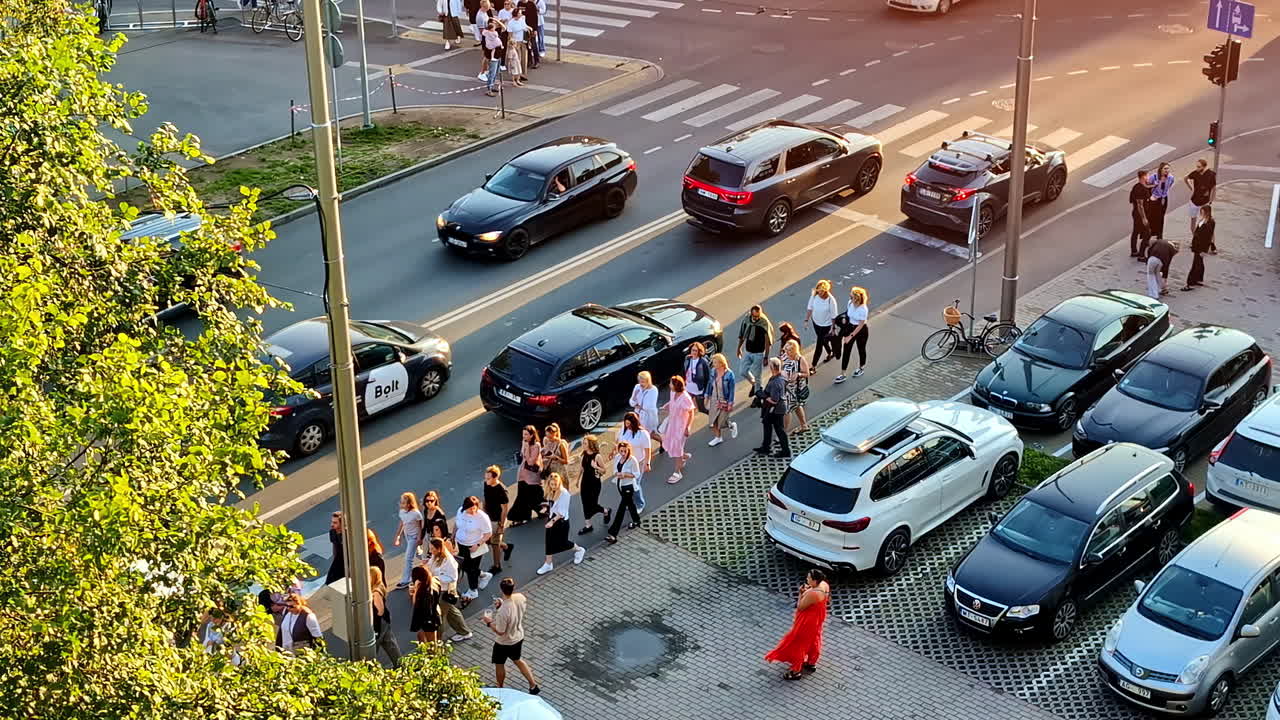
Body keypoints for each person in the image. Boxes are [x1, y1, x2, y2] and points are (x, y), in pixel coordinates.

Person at [764, 569, 830, 681]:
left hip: (807, 621)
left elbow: (801, 606)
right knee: (814, 639)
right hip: (818, 618)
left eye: (809, 578)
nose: (807, 579)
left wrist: (801, 593)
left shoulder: (813, 594)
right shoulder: (824, 585)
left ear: (814, 580)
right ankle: (811, 663)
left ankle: (795, 671)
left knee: (799, 644)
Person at [482, 578, 540, 694]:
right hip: (518, 636)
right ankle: (533, 685)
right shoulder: (520, 597)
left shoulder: (503, 611)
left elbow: (500, 631)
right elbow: (514, 610)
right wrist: (501, 604)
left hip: (504, 642)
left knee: (499, 664)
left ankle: (500, 687)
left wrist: (488, 622)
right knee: (518, 660)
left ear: (501, 589)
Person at [536, 473, 586, 574]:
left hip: (561, 522)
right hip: (552, 518)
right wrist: (546, 507)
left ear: (559, 483)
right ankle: (548, 563)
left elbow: (562, 513)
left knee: (562, 543)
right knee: (549, 542)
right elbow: (552, 504)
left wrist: (551, 522)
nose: (553, 486)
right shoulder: (550, 491)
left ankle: (579, 550)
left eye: (555, 484)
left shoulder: (564, 494)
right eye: (551, 484)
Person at [426, 537, 473, 640]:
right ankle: (464, 632)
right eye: (430, 548)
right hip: (438, 590)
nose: (430, 551)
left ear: (439, 549)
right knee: (451, 612)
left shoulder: (448, 561)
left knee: (439, 616)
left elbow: (452, 578)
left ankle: (437, 640)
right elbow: (430, 565)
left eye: (433, 549)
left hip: (444, 591)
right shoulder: (435, 556)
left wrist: (436, 578)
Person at [454, 496, 493, 600]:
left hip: (474, 546)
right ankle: (484, 575)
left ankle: (473, 590)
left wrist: (477, 545)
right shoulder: (460, 511)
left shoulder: (482, 517)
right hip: (461, 544)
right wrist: (452, 537)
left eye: (474, 508)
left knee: (471, 569)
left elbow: (488, 533)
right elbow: (456, 524)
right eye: (470, 508)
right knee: (465, 566)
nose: (472, 510)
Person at [661, 375, 696, 484]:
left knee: (676, 448)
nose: (669, 385)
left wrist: (688, 427)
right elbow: (672, 401)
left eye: (671, 383)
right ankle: (683, 456)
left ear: (676, 385)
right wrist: (667, 405)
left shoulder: (685, 398)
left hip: (681, 426)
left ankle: (677, 472)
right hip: (673, 424)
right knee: (673, 444)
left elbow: (691, 412)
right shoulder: (673, 393)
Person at [606, 441, 642, 543]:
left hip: (628, 486)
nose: (623, 453)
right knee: (630, 503)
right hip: (620, 485)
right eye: (621, 451)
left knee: (621, 509)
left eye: (625, 451)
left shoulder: (632, 460)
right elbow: (614, 470)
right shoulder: (617, 457)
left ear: (628, 450)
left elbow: (636, 474)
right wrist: (618, 474)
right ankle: (636, 520)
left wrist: (625, 474)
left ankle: (613, 534)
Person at [754, 357, 790, 459]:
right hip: (778, 407)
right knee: (767, 425)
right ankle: (766, 447)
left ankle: (785, 451)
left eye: (770, 365)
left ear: (772, 367)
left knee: (779, 430)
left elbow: (774, 400)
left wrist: (762, 395)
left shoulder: (775, 382)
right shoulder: (781, 375)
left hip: (775, 409)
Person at [737, 304, 774, 402]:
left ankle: (758, 396)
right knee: (743, 371)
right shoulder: (747, 320)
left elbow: (768, 341)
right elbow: (742, 334)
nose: (756, 318)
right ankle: (754, 384)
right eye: (754, 316)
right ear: (751, 314)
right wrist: (739, 348)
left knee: (758, 375)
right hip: (748, 350)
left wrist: (766, 356)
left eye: (757, 316)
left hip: (758, 352)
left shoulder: (764, 323)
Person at [482, 466, 516, 573]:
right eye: (486, 478)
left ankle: (497, 566)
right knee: (489, 541)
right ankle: (506, 547)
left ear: (495, 477)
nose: (486, 480)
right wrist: (483, 513)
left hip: (497, 519)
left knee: (495, 544)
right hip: (488, 517)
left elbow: (504, 509)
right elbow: (485, 499)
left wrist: (501, 525)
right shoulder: (486, 484)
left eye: (488, 478)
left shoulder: (501, 490)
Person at [617, 411, 652, 513]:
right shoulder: (624, 430)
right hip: (625, 462)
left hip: (638, 462)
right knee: (625, 484)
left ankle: (640, 504)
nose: (627, 426)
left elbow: (647, 450)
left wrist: (647, 463)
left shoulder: (643, 434)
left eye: (629, 423)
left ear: (634, 422)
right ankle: (629, 501)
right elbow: (619, 443)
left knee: (634, 484)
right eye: (625, 423)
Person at [834, 286, 870, 384]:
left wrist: (850, 336)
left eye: (852, 297)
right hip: (850, 327)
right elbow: (848, 313)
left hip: (861, 330)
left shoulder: (863, 309)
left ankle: (861, 367)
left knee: (861, 349)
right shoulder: (850, 303)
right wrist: (845, 319)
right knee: (846, 350)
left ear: (857, 299)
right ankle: (843, 373)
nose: (850, 299)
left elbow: (861, 324)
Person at [509, 425, 543, 525]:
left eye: (526, 434)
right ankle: (522, 517)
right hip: (523, 474)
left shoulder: (536, 445)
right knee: (522, 496)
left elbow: (531, 462)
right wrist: (523, 448)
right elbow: (522, 455)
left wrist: (527, 448)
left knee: (534, 496)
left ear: (532, 435)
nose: (524, 436)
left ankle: (542, 510)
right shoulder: (524, 442)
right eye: (523, 434)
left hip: (532, 476)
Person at [370, 566, 402, 667]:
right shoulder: (380, 585)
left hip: (379, 623)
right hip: (384, 620)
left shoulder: (375, 592)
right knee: (390, 644)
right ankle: (400, 665)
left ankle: (370, 669)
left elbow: (379, 611)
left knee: (372, 647)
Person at [578, 435, 610, 534]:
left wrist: (596, 466)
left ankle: (605, 511)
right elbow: (581, 469)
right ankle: (588, 525)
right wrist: (577, 480)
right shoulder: (583, 455)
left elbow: (604, 470)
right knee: (585, 503)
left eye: (585, 443)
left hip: (594, 484)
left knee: (592, 504)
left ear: (590, 445)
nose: (583, 445)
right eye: (583, 443)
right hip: (585, 483)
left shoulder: (597, 456)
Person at [804, 280, 839, 369]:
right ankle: (830, 352)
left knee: (819, 343)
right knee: (823, 340)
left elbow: (833, 316)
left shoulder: (831, 300)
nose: (819, 293)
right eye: (818, 291)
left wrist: (833, 327)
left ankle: (813, 366)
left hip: (826, 325)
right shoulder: (814, 296)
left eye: (821, 291)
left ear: (826, 291)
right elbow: (810, 308)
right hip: (816, 323)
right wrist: (806, 320)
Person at [393, 491, 424, 589]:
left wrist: (419, 538)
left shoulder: (416, 513)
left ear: (409, 503)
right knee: (418, 554)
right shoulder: (402, 512)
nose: (401, 504)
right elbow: (402, 523)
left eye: (403, 502)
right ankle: (430, 560)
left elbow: (420, 527)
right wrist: (398, 535)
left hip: (414, 537)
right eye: (401, 502)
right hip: (407, 536)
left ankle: (406, 580)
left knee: (408, 558)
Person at [1185, 158, 1217, 249]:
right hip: (1194, 201)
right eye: (1197, 166)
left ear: (1204, 166)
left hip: (1205, 202)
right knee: (1193, 221)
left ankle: (1212, 244)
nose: (1197, 168)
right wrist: (1191, 188)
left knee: (1208, 222)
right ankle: (1196, 239)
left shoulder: (1211, 175)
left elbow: (1213, 188)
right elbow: (1185, 178)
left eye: (1199, 167)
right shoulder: (1195, 173)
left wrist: (1211, 200)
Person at [706, 353, 737, 447]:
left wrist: (730, 403)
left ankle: (731, 425)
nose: (713, 364)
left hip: (725, 399)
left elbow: (732, 390)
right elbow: (709, 384)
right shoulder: (713, 371)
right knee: (713, 420)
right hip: (715, 397)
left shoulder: (729, 374)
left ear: (721, 363)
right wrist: (707, 396)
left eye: (715, 362)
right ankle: (718, 437)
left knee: (722, 422)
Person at [780, 339, 810, 433]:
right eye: (785, 350)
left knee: (787, 410)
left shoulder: (800, 359)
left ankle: (783, 432)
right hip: (786, 387)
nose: (786, 352)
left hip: (795, 389)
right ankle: (804, 425)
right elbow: (782, 367)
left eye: (789, 350)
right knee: (797, 406)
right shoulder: (785, 357)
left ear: (794, 350)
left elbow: (807, 373)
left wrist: (798, 374)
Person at [1182, 205, 1215, 291]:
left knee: (1195, 264)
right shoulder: (1203, 220)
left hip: (1201, 247)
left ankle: (1191, 283)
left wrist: (1205, 250)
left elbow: (1208, 237)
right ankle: (1199, 279)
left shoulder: (1210, 223)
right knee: (1199, 262)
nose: (1201, 213)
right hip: (1197, 245)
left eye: (1202, 212)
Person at [407, 564, 442, 645]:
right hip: (435, 613)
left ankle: (432, 656)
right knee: (421, 637)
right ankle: (426, 653)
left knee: (431, 643)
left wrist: (415, 592)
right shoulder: (434, 581)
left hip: (428, 620)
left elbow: (416, 604)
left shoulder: (424, 592)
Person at [1147, 162, 1175, 240]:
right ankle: (1149, 234)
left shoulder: (1171, 178)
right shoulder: (1154, 177)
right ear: (1161, 169)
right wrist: (1152, 191)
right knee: (1152, 217)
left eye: (1168, 168)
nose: (1167, 170)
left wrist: (1163, 195)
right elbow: (1147, 186)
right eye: (1165, 168)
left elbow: (1169, 186)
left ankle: (1159, 235)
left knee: (1161, 217)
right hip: (1154, 199)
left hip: (1163, 199)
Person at [682, 342, 711, 414]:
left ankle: (716, 419)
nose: (694, 352)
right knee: (686, 406)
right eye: (692, 350)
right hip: (688, 388)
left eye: (696, 350)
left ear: (699, 351)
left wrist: (706, 392)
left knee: (702, 409)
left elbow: (708, 378)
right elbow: (684, 371)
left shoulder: (703, 362)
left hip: (699, 389)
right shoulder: (688, 359)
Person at [1129, 169, 1152, 259]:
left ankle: (1134, 251)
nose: (1148, 177)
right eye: (1148, 176)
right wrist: (1144, 218)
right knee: (1147, 233)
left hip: (1136, 213)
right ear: (1144, 177)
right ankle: (1141, 255)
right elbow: (1140, 205)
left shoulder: (1138, 186)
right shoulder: (1139, 189)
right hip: (1139, 215)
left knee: (1135, 231)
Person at [505, 6, 528, 84]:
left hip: (523, 40)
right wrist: (511, 45)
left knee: (524, 58)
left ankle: (522, 74)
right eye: (520, 13)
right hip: (515, 42)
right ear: (516, 14)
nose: (521, 15)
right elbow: (510, 34)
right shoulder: (511, 23)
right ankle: (516, 76)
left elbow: (525, 27)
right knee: (517, 60)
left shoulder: (522, 20)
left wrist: (530, 28)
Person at [482, 17, 505, 97]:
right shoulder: (491, 34)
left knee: (496, 72)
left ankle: (491, 87)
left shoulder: (490, 32)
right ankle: (489, 89)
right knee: (492, 72)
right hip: (494, 56)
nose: (496, 24)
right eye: (494, 23)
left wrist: (497, 21)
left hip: (498, 54)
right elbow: (490, 46)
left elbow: (504, 27)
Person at [324, 511, 346, 585]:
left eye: (335, 523)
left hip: (348, 561)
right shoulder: (332, 532)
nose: (332, 525)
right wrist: (335, 560)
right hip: (338, 560)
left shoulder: (347, 534)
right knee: (329, 582)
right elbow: (334, 546)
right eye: (332, 522)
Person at [518, 0, 539, 69]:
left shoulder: (531, 4)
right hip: (523, 28)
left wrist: (535, 29)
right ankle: (529, 61)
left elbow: (535, 17)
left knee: (533, 44)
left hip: (531, 28)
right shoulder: (519, 3)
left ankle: (536, 61)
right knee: (526, 45)